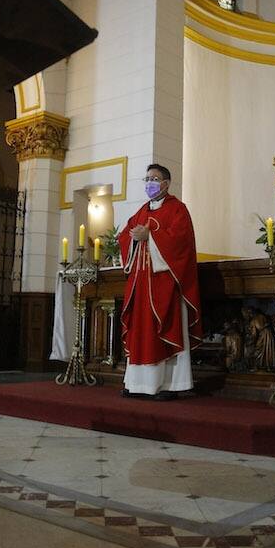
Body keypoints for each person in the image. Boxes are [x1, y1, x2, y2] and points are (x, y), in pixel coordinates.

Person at [118, 164, 201, 399]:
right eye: (146, 179)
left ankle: (171, 385)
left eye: (154, 179)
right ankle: (137, 384)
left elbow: (181, 242)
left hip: (166, 284)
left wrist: (151, 236)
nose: (149, 183)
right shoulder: (142, 211)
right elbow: (126, 235)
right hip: (141, 284)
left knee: (165, 329)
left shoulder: (178, 210)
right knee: (140, 332)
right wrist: (134, 240)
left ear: (166, 183)